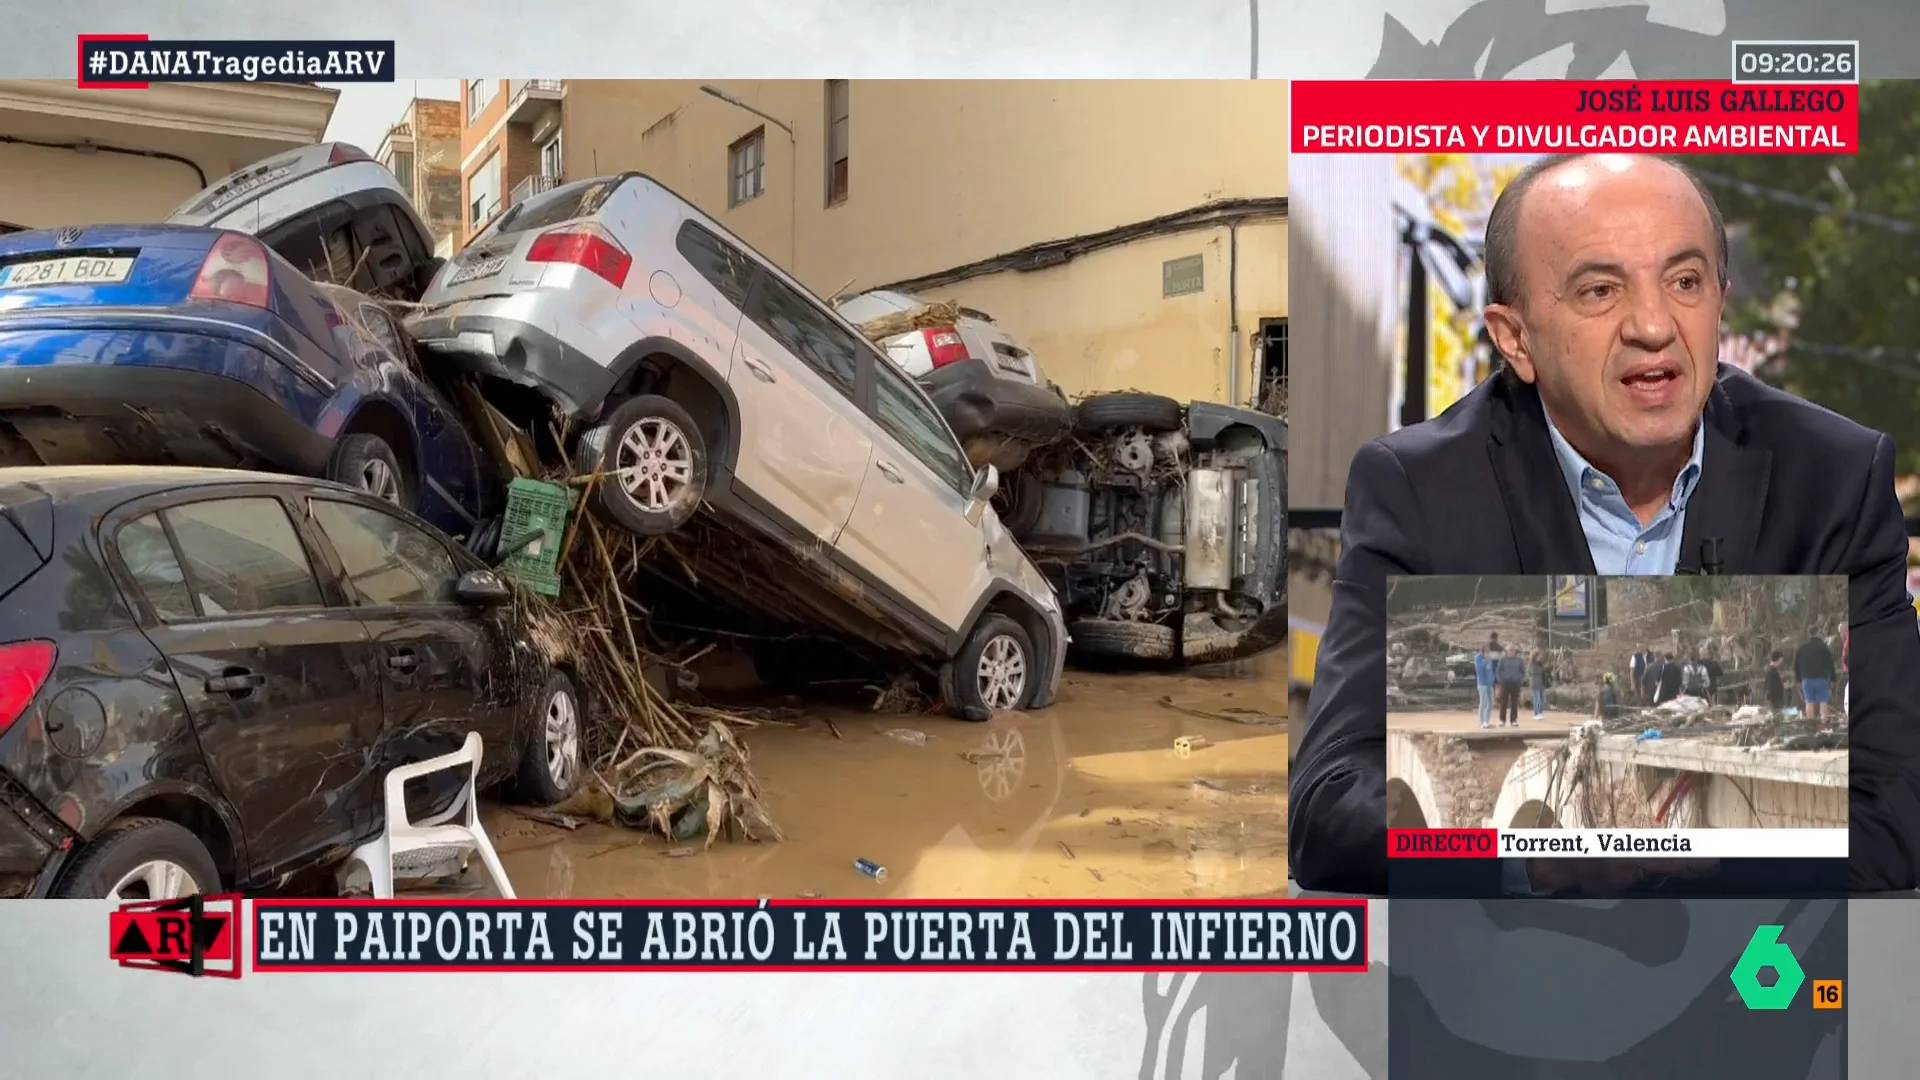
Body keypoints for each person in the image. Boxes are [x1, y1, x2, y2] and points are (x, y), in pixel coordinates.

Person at [1289, 152, 1918, 897]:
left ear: (1720, 298)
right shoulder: (1421, 490)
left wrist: (1689, 851)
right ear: (1515, 339)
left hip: (1754, 969)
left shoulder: (1833, 479)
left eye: (1685, 282)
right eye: (1599, 290)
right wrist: (1535, 856)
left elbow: (1897, 809)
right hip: (1518, 968)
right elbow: (1331, 805)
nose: (1654, 326)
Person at [1795, 626, 1837, 721]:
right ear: (1818, 633)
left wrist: (1798, 680)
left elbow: (1796, 665)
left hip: (1806, 679)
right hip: (1821, 679)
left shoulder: (1801, 648)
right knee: (1823, 701)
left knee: (1809, 702)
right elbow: (1830, 664)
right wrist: (1833, 678)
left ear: (1809, 634)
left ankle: (1811, 724)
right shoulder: (1823, 647)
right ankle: (1824, 722)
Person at [1495, 645, 1527, 727]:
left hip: (1515, 683)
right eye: (1509, 650)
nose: (1511, 651)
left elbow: (1523, 671)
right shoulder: (1503, 660)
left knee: (1514, 702)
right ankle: (1502, 720)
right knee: (1503, 702)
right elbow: (1498, 671)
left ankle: (1513, 720)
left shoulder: (1519, 660)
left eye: (1513, 650)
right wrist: (1501, 680)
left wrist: (1520, 680)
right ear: (1507, 651)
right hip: (1505, 683)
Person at [1473, 638, 1500, 729]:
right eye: (1487, 652)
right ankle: (1481, 722)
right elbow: (1479, 669)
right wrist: (1486, 660)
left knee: (1490, 702)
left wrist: (1493, 680)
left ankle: (1486, 721)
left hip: (1489, 683)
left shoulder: (1489, 659)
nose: (1489, 654)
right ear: (1483, 651)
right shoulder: (1478, 658)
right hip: (1482, 683)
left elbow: (1491, 670)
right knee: (1483, 702)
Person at [1529, 647, 1550, 719]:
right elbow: (1533, 671)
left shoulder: (1540, 663)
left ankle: (1540, 713)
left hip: (1542, 683)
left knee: (1542, 699)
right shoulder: (1532, 663)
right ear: (1535, 656)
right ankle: (1536, 713)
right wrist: (1544, 669)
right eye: (1539, 655)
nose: (1540, 657)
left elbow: (1543, 671)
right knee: (1537, 699)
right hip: (1535, 683)